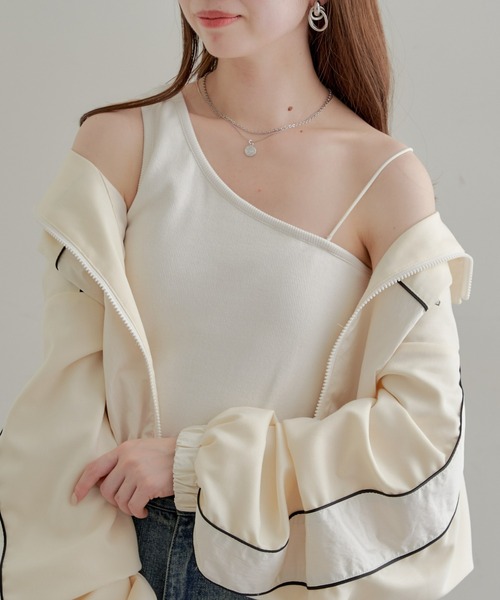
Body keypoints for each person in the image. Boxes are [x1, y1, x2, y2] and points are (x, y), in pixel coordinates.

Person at [0, 1, 473, 599]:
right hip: (121, 555)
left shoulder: (384, 177)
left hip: (286, 571)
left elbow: (423, 439)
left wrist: (197, 463)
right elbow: (63, 411)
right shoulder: (119, 145)